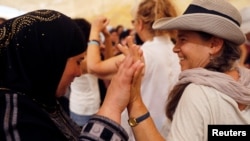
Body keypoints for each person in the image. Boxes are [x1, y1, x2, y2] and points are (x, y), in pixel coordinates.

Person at [81, 0, 250, 141]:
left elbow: (94, 67)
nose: (175, 48)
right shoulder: (243, 81)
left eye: (182, 39)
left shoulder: (199, 93)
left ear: (214, 45)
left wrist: (134, 98)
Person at [0, 9, 144, 141]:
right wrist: (113, 104)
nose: (79, 72)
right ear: (50, 59)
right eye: (78, 61)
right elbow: (95, 67)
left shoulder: (39, 99)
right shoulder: (14, 120)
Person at [86, 1, 180, 140]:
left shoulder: (143, 55)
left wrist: (94, 30)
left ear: (140, 23)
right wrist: (107, 38)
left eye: (134, 22)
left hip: (138, 130)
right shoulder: (177, 53)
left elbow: (94, 68)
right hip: (165, 132)